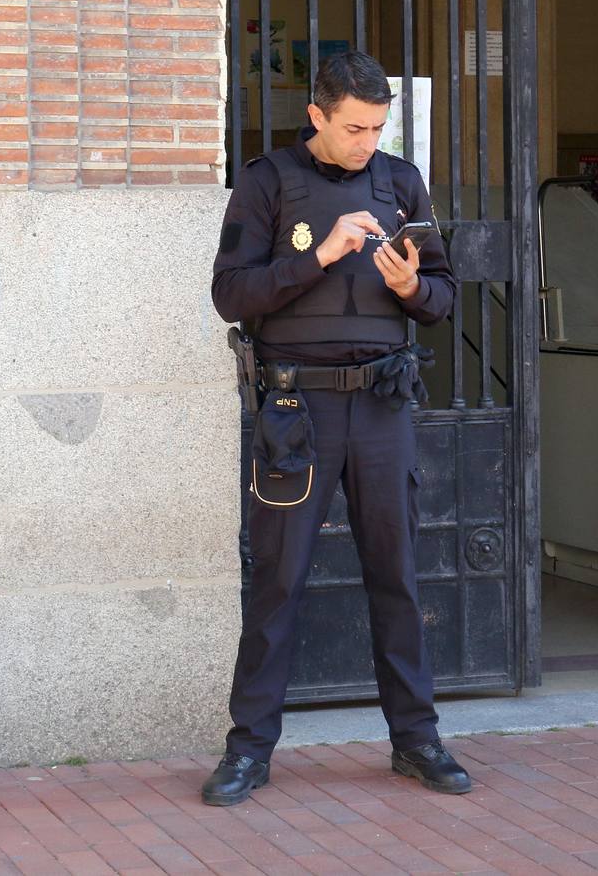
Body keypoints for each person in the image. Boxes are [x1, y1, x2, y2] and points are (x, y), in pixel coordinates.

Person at [204, 51, 471, 805]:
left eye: (378, 128)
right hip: (298, 411)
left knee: (397, 576)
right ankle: (249, 751)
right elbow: (231, 294)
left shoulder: (401, 182)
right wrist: (319, 255)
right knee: (279, 582)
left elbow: (444, 293)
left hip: (383, 406)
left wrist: (412, 286)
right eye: (354, 127)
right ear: (317, 115)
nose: (366, 142)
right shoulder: (265, 182)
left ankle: (416, 741)